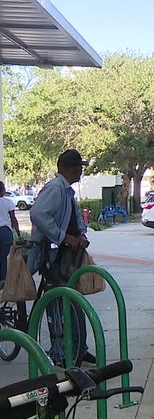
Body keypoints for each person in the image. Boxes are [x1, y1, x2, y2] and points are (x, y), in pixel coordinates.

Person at [28, 148, 93, 364]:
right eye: (78, 168)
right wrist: (63, 237)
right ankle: (61, 352)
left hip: (68, 255)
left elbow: (74, 215)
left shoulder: (66, 190)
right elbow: (37, 213)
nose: (80, 172)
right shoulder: (56, 188)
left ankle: (79, 348)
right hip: (54, 255)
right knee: (59, 304)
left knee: (74, 301)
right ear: (71, 169)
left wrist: (81, 233)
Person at [0, 181, 20, 287]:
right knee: (3, 256)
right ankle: (3, 279)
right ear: (3, 190)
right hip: (5, 231)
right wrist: (18, 233)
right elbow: (13, 219)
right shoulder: (8, 202)